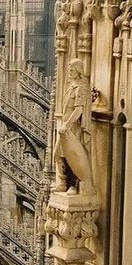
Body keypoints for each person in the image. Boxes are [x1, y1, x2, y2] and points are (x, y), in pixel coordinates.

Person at [54, 58, 94, 195]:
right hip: (65, 126)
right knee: (58, 155)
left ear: (78, 71)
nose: (69, 72)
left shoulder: (81, 87)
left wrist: (66, 125)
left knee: (72, 156)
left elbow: (78, 110)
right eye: (69, 69)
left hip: (73, 127)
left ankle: (73, 185)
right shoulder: (72, 85)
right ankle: (63, 181)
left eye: (72, 70)